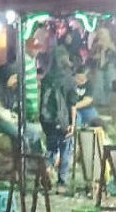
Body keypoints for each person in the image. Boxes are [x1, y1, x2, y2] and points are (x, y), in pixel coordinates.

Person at [39, 49, 78, 193]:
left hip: (47, 121)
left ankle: (48, 168)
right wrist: (72, 124)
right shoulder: (69, 79)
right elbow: (72, 104)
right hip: (63, 121)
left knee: (51, 148)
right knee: (66, 149)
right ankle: (62, 182)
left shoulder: (47, 77)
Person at [0, 63, 43, 153]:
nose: (16, 80)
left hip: (10, 121)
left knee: (34, 132)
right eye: (14, 77)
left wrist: (14, 117)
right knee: (20, 133)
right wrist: (13, 118)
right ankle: (24, 161)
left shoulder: (10, 92)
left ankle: (38, 159)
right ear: (6, 76)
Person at [90, 26, 116, 106]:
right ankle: (101, 101)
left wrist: (106, 50)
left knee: (108, 85)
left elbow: (114, 55)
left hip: (109, 66)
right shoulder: (96, 44)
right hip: (99, 66)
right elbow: (92, 54)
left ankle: (107, 101)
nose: (101, 35)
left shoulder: (111, 44)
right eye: (100, 34)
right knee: (99, 84)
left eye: (103, 34)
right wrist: (97, 52)